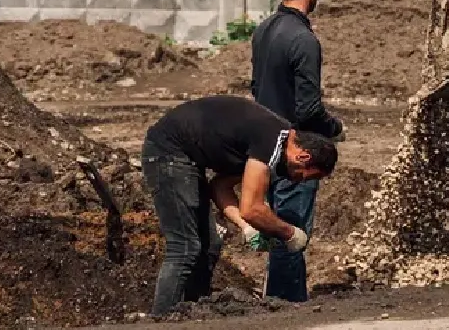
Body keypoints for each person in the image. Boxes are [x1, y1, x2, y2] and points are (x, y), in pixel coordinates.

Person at [140, 94, 337, 317]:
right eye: (306, 176)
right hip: (168, 152)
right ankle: (162, 320)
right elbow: (252, 209)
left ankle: (190, 314)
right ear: (303, 156)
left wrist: (247, 227)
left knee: (210, 245)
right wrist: (290, 234)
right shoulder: (272, 141)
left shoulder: (270, 143)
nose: (299, 181)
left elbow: (220, 187)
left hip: (186, 158)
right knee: (184, 247)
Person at [250, 0, 345, 303]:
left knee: (276, 226)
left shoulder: (264, 30)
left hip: (264, 145)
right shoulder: (304, 40)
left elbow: (256, 86)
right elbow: (308, 108)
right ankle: (287, 306)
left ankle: (274, 295)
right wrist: (334, 128)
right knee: (291, 230)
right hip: (295, 151)